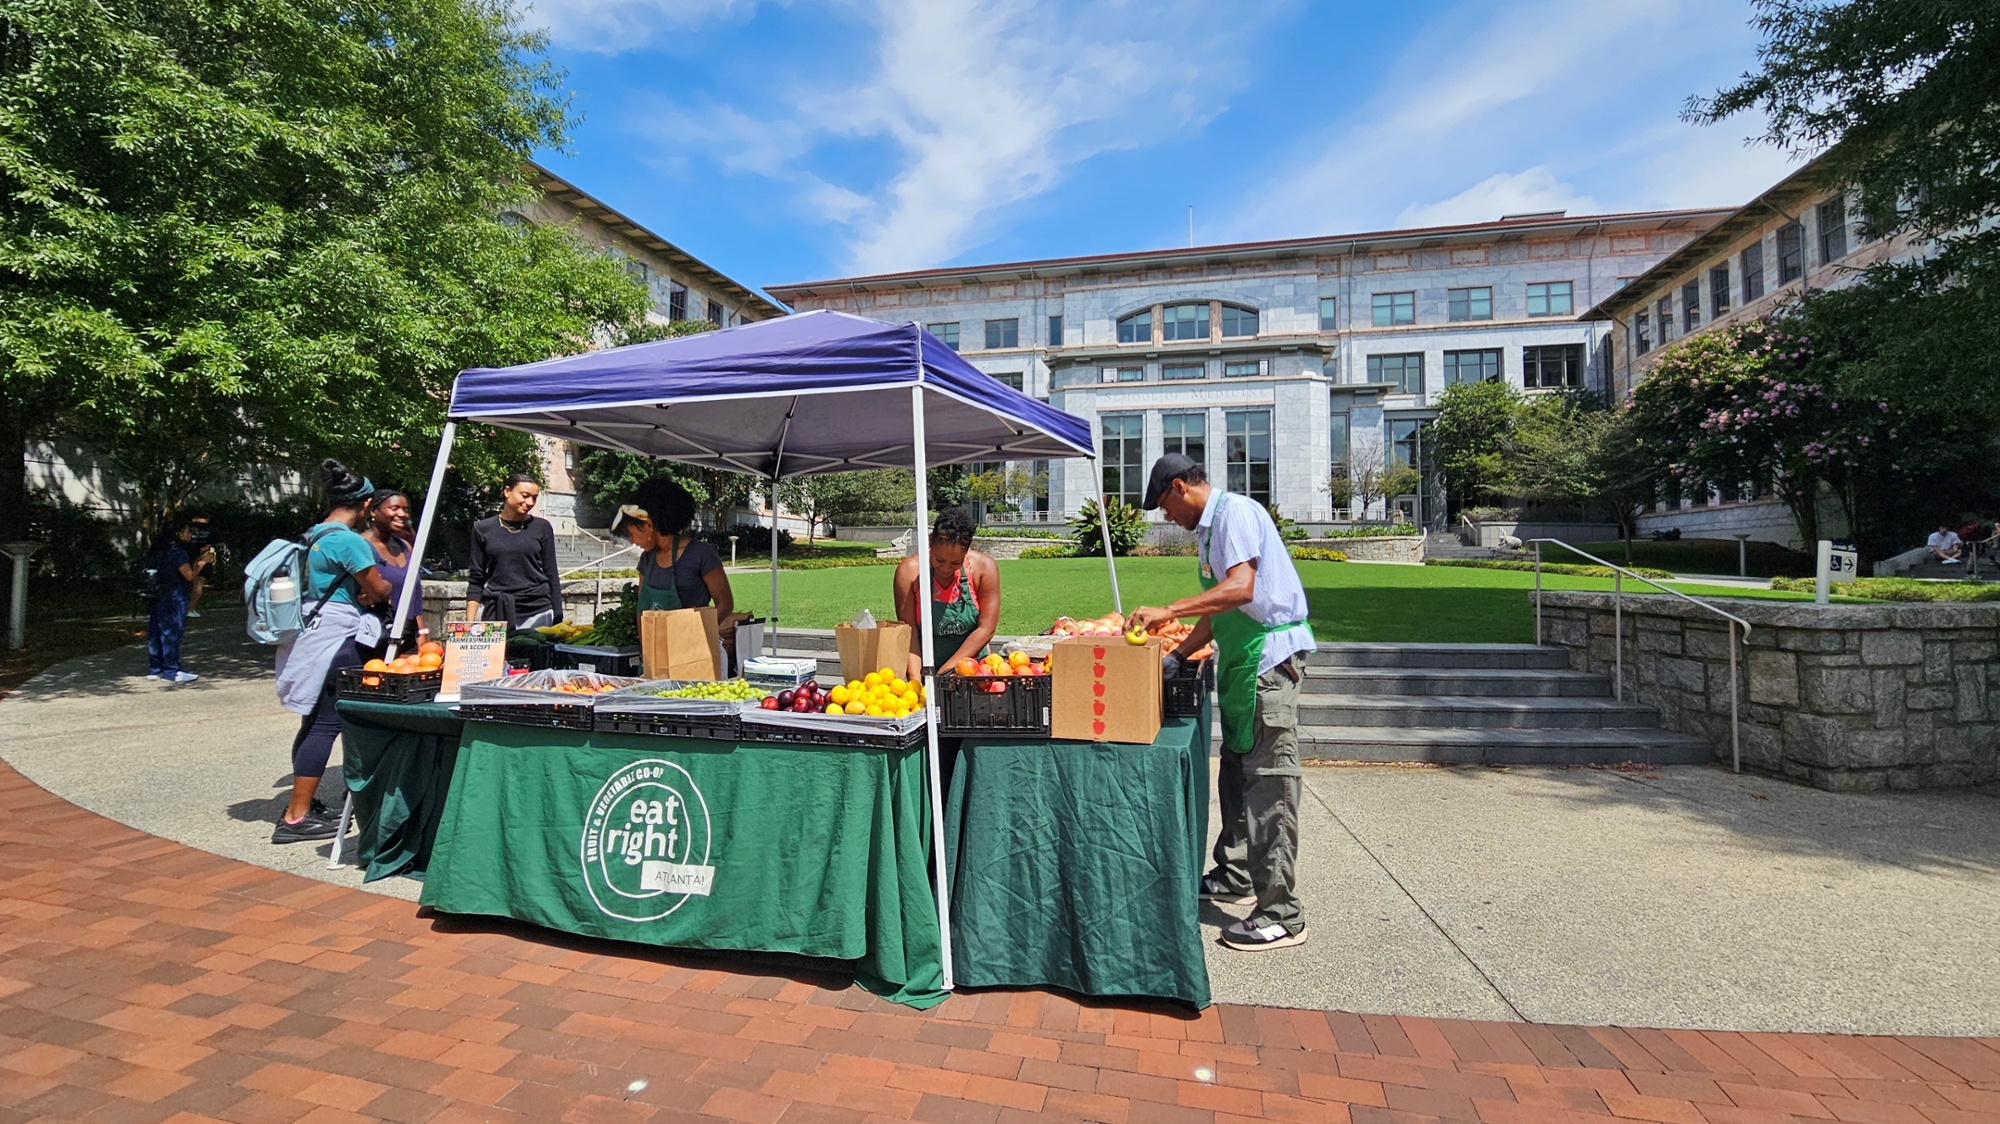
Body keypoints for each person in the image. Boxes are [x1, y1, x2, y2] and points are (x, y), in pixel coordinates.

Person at [1127, 454, 1316, 952]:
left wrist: (1167, 610)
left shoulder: (1235, 513)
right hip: (1239, 665)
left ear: (1179, 487)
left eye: (1165, 505)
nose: (1166, 517)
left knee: (1269, 784)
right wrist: (1180, 655)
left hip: (1268, 664)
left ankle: (1281, 912)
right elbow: (1219, 605)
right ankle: (1235, 874)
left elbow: (1241, 587)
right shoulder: (1210, 533)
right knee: (1235, 771)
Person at [271, 460, 392, 845]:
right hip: (335, 639)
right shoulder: (349, 541)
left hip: (308, 632)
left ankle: (301, 805)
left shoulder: (312, 535)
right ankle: (296, 817)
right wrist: (380, 586)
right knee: (327, 724)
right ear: (367, 503)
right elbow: (378, 591)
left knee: (311, 723)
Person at [610, 476, 735, 633]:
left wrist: (696, 632)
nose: (631, 540)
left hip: (693, 650)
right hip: (655, 651)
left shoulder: (701, 554)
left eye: (631, 533)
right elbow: (642, 611)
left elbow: (725, 604)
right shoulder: (646, 559)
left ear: (648, 525)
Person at [892, 507, 999, 680]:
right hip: (925, 669)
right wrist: (917, 681)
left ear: (967, 550)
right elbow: (908, 632)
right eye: (939, 560)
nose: (946, 568)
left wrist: (946, 672)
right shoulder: (909, 572)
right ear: (930, 542)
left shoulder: (984, 568)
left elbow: (986, 628)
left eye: (955, 562)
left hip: (973, 672)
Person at [466, 474, 564, 628]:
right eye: (525, 496)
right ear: (507, 491)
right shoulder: (483, 529)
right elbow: (476, 578)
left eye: (534, 498)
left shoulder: (542, 527)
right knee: (498, 654)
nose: (530, 502)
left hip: (537, 611)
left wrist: (558, 614)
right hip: (496, 611)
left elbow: (551, 572)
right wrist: (470, 623)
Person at [358, 489, 428, 661]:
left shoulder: (405, 547)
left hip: (407, 639)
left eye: (405, 510)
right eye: (395, 508)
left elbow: (414, 595)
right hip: (376, 639)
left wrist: (422, 633)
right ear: (374, 511)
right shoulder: (360, 546)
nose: (402, 514)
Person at [142, 519, 214, 683]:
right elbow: (189, 575)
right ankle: (171, 670)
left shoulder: (157, 551)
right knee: (172, 632)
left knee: (155, 631)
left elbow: (185, 567)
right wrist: (203, 563)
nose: (190, 535)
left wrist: (198, 559)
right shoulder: (176, 552)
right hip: (173, 595)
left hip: (156, 593)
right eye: (187, 532)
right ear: (178, 534)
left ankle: (155, 668)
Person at [184, 515, 213, 618]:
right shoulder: (209, 528)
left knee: (197, 582)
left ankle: (189, 608)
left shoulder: (188, 528)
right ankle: (189, 608)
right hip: (191, 557)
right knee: (196, 583)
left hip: (198, 556)